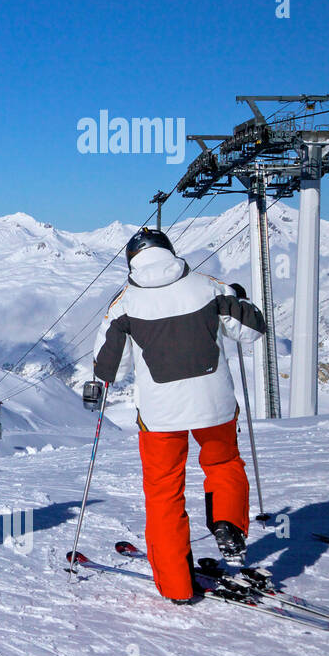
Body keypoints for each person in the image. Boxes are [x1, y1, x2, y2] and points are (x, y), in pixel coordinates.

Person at [92, 227, 267, 603]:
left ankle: (176, 586)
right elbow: (253, 330)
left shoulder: (124, 304)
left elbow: (107, 367)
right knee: (223, 463)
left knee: (163, 492)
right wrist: (237, 296)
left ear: (131, 262)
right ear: (170, 253)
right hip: (215, 405)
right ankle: (227, 523)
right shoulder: (208, 286)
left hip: (159, 416)